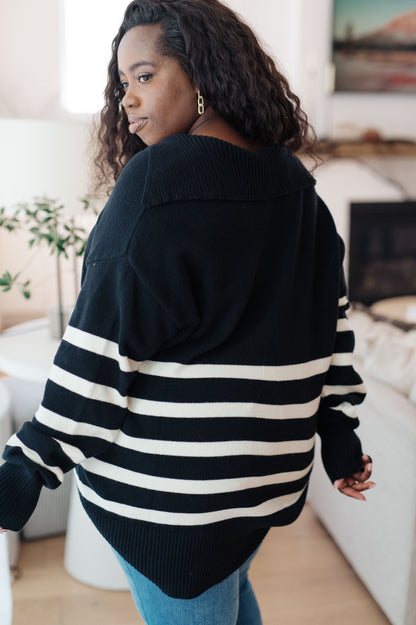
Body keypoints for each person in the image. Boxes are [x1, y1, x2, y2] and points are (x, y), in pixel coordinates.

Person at [0, 1, 375, 623]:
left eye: (144, 76)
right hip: (259, 492)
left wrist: (26, 466)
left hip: (170, 507)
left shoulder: (156, 183)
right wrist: (339, 436)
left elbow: (99, 349)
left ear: (202, 73)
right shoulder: (298, 187)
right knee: (231, 595)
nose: (127, 99)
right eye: (123, 82)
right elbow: (331, 328)